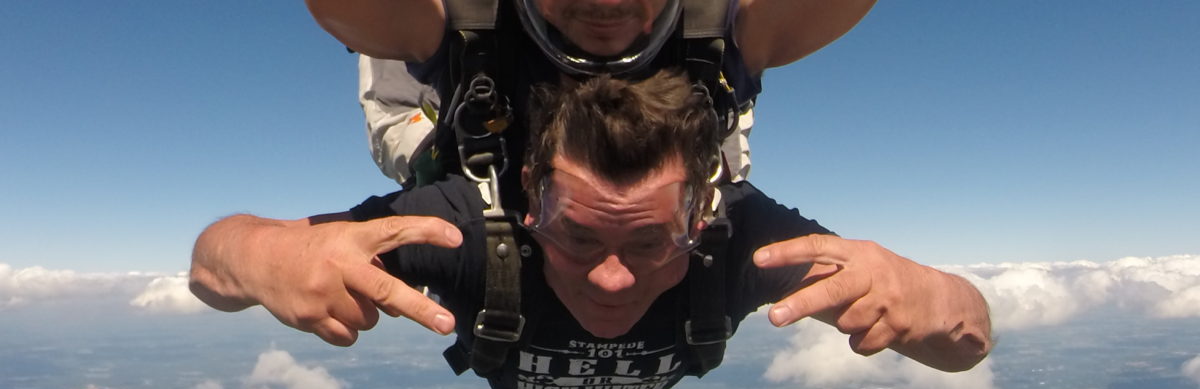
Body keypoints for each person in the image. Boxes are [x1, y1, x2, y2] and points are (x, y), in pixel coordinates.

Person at [190, 70, 991, 389]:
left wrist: (933, 298)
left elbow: (968, 339)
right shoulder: (464, 229)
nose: (612, 278)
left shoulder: (739, 240)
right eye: (577, 239)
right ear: (532, 201)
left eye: (649, 243)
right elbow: (207, 265)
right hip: (484, 159)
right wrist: (267, 258)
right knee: (410, 139)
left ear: (699, 219)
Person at [320, 0, 877, 210]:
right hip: (488, 165)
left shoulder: (712, 24)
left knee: (711, 171)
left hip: (684, 142)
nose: (607, 2)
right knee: (424, 146)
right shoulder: (471, 19)